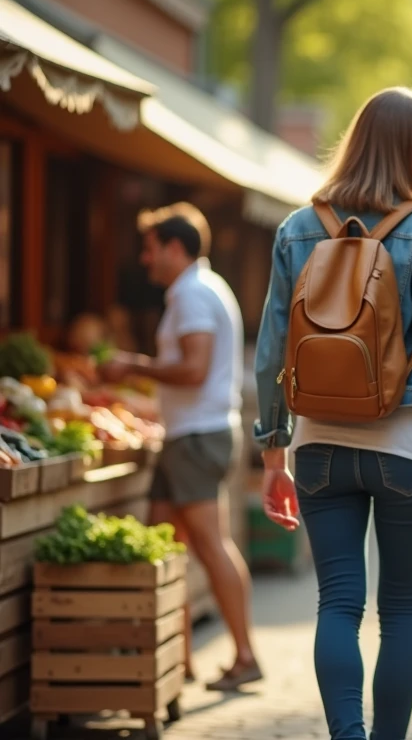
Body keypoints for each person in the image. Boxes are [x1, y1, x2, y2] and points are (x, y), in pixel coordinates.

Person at [254, 87, 412, 740]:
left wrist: (273, 451)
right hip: (405, 447)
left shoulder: (297, 228)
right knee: (402, 610)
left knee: (338, 604)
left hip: (318, 449)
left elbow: (272, 350)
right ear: (401, 146)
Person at [98, 202, 259, 691]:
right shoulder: (198, 290)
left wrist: (132, 365)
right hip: (190, 433)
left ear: (174, 247)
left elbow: (193, 369)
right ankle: (177, 657)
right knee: (166, 544)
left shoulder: (191, 294)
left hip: (197, 436)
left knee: (209, 545)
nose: (145, 260)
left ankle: (245, 656)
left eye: (149, 249)